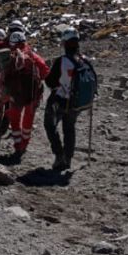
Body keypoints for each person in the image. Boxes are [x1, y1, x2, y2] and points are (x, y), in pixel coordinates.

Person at [44, 27, 97, 171]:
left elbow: (50, 81)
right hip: (77, 103)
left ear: (65, 43)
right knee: (69, 128)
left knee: (50, 125)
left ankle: (59, 154)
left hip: (60, 100)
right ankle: (68, 159)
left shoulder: (62, 61)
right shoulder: (85, 60)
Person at [3, 30, 49, 160]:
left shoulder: (9, 57)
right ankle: (24, 144)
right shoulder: (33, 56)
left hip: (15, 95)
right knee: (28, 120)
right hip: (32, 95)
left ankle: (17, 144)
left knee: (15, 118)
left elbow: (3, 77)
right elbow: (45, 72)